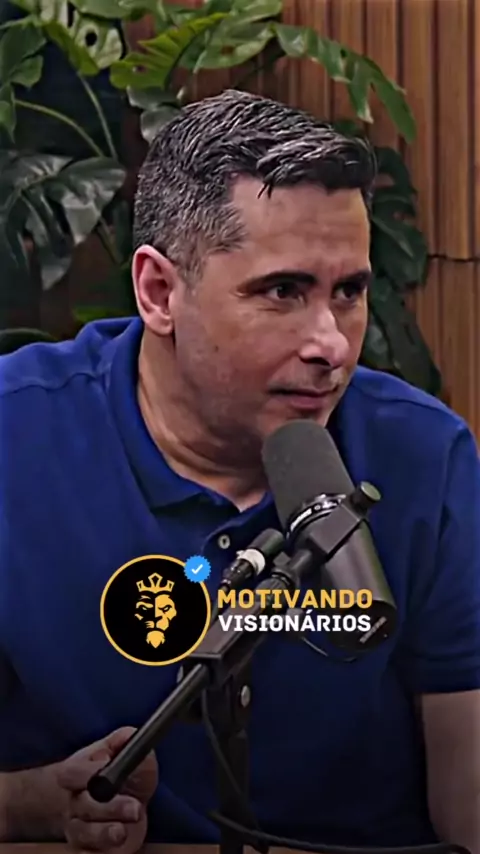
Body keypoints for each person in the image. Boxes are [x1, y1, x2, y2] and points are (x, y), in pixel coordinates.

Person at [0, 89, 479, 854]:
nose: (332, 344)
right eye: (283, 291)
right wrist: (37, 803)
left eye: (349, 292)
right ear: (160, 292)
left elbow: (469, 792)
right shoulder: (16, 437)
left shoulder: (424, 455)